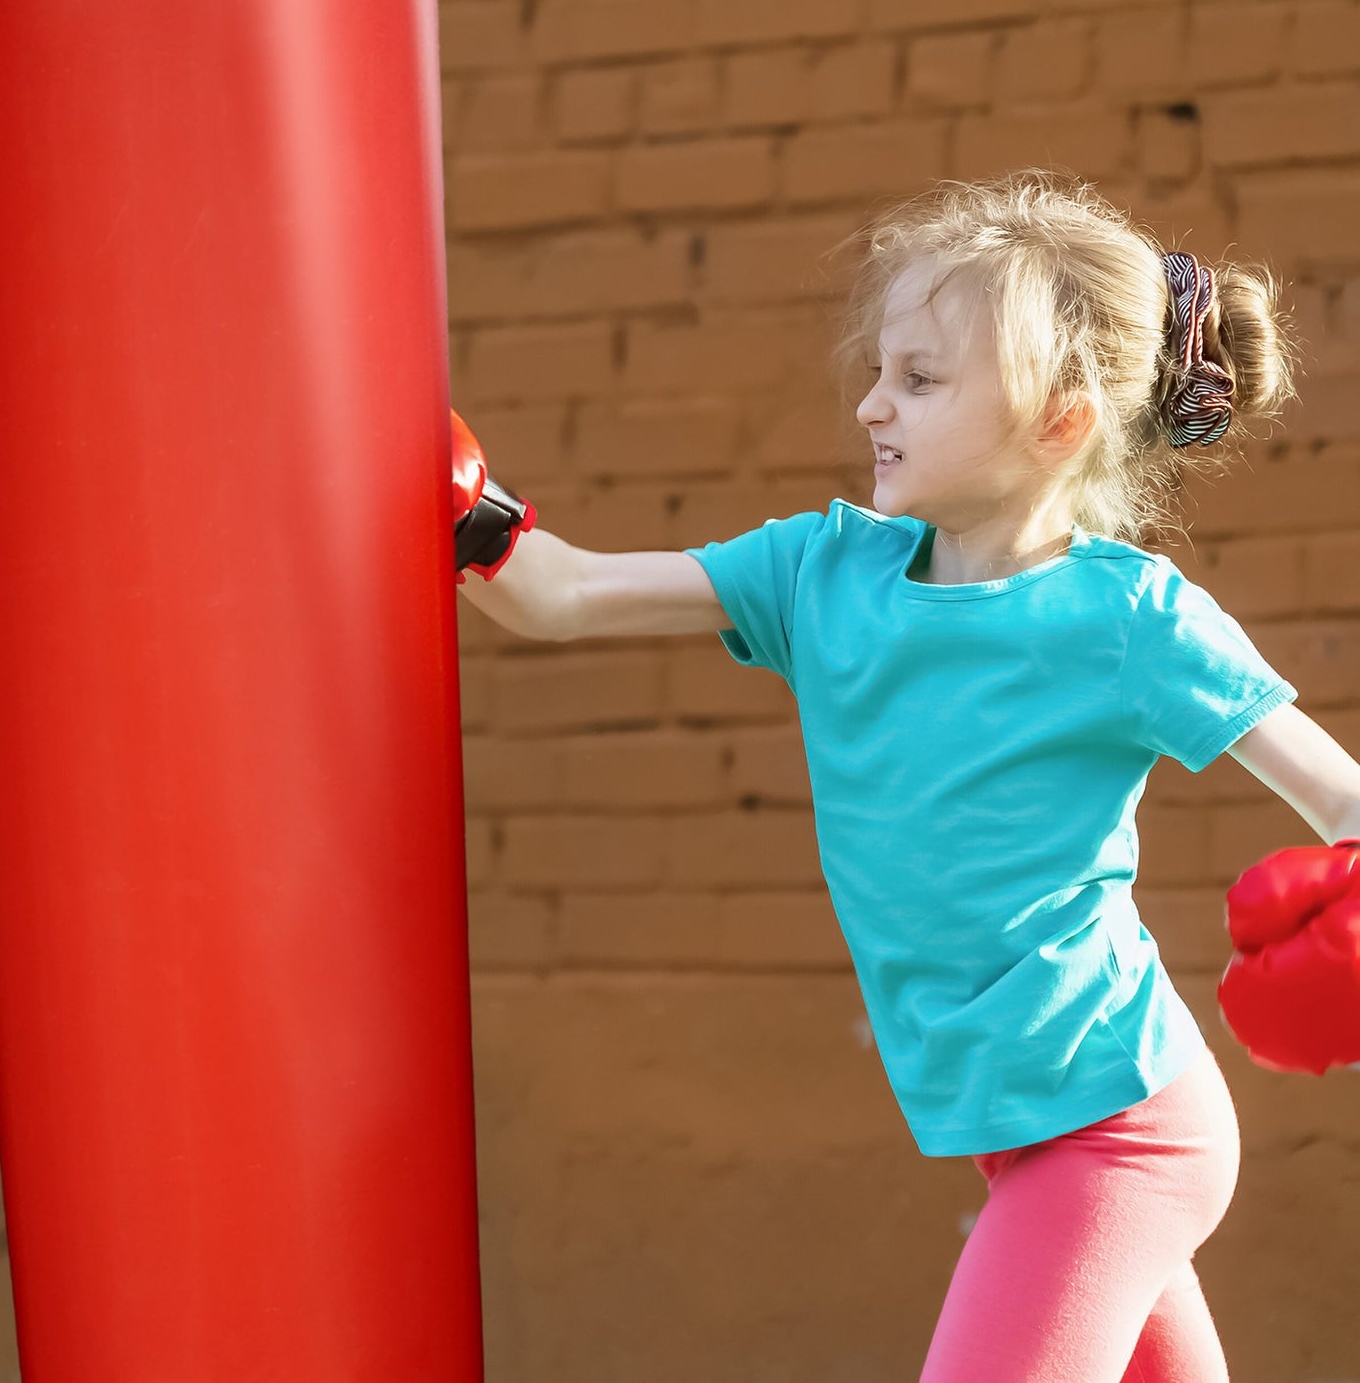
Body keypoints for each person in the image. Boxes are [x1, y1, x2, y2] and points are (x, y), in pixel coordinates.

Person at [452, 169, 1360, 1382]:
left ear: (1058, 420)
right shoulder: (820, 573)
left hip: (1116, 1126)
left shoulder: (1128, 617)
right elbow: (561, 594)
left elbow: (1341, 795)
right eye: (879, 370)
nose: (874, 404)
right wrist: (451, 496)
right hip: (1013, 1130)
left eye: (921, 380)